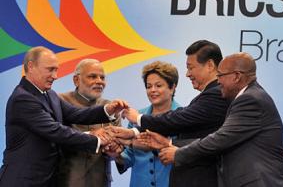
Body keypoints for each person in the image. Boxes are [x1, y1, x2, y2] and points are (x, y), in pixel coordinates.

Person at [0, 46, 127, 187]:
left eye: (56, 69)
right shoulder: (23, 98)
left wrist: (108, 110)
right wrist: (96, 139)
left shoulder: (50, 94)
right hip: (22, 181)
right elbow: (56, 131)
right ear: (31, 66)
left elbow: (77, 114)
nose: (55, 76)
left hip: (46, 181)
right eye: (50, 69)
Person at [157, 52, 283, 187]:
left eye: (220, 75)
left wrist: (179, 154)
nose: (218, 81)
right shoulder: (248, 97)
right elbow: (222, 138)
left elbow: (220, 139)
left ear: (237, 76)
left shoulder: (250, 100)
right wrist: (170, 143)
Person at [122, 40, 230, 187]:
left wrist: (138, 119)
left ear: (210, 65)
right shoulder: (207, 95)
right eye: (149, 86)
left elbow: (181, 121)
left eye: (191, 68)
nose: (188, 74)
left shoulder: (216, 94)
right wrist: (129, 135)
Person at [57, 59, 121, 187]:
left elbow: (119, 152)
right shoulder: (60, 102)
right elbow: (55, 139)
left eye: (102, 77)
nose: (99, 81)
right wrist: (92, 136)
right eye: (92, 76)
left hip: (100, 181)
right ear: (76, 80)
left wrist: (114, 151)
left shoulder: (111, 108)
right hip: (65, 181)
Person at [116, 61, 181, 187]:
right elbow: (129, 157)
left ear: (172, 87)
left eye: (158, 85)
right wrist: (116, 155)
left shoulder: (184, 116)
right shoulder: (136, 117)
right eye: (148, 86)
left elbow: (188, 155)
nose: (153, 90)